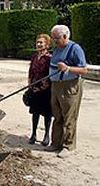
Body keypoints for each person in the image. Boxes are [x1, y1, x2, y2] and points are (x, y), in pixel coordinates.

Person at [45, 25, 87, 159]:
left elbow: (84, 70)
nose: (54, 41)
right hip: (56, 85)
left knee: (69, 116)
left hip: (69, 86)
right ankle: (56, 143)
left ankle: (68, 146)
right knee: (57, 115)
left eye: (56, 38)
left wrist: (68, 68)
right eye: (53, 38)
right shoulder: (57, 48)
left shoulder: (75, 49)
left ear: (65, 36)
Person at [27, 34, 52, 146]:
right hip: (34, 87)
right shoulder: (34, 57)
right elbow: (30, 72)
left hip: (45, 89)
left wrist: (42, 87)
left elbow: (50, 74)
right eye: (37, 42)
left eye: (41, 42)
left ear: (47, 44)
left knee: (47, 113)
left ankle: (47, 135)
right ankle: (33, 134)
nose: (39, 44)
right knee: (35, 112)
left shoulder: (49, 58)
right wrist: (30, 86)